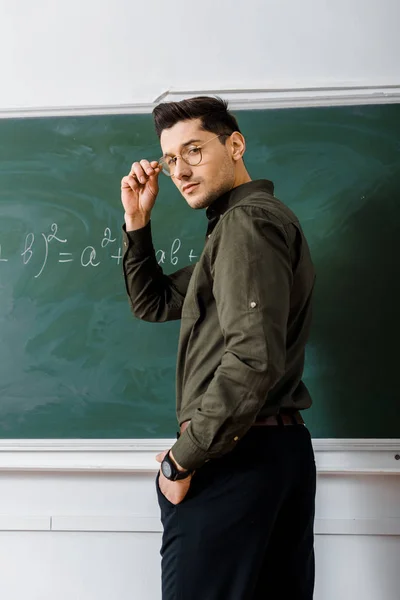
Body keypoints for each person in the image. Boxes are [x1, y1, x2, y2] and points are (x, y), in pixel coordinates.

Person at [121, 96, 316, 600]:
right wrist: (138, 222)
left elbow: (252, 359)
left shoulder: (245, 226)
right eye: (170, 160)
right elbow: (154, 301)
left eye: (194, 151)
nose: (180, 171)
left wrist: (180, 461)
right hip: (269, 450)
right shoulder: (240, 229)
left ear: (235, 144)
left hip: (234, 454)